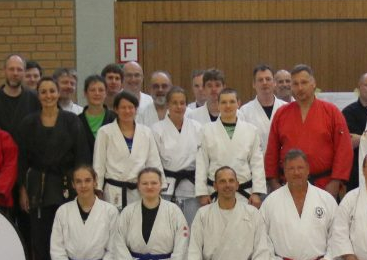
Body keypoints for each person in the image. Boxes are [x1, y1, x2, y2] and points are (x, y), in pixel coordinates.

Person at [16, 76, 91, 260]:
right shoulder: (28, 123)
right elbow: (22, 159)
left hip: (66, 184)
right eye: (43, 92)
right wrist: (22, 188)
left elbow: (81, 155)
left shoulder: (71, 121)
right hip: (38, 186)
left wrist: (82, 186)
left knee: (68, 234)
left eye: (52, 91)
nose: (48, 96)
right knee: (41, 235)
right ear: (38, 95)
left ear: (58, 94)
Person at [261, 149, 343, 260]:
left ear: (308, 170)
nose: (296, 172)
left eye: (300, 168)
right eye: (291, 169)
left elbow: (338, 234)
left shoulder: (325, 199)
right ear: (284, 172)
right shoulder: (271, 201)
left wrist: (330, 259)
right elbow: (261, 236)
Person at [186, 167, 269, 260]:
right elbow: (194, 249)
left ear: (237, 185)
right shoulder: (203, 214)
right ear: (215, 186)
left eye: (231, 181)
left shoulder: (252, 213)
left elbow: (261, 249)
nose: (227, 185)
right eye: (222, 181)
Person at [265, 64, 353, 197]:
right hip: (289, 185)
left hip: (324, 184)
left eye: (304, 82)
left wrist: (336, 181)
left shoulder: (331, 112)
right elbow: (272, 151)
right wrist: (273, 182)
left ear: (313, 84)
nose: (300, 88)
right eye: (295, 84)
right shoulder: (281, 114)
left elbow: (344, 149)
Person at [110, 167, 189, 260]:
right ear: (138, 186)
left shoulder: (173, 211)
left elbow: (182, 242)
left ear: (161, 185)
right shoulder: (128, 212)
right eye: (145, 183)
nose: (149, 187)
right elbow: (119, 242)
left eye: (154, 183)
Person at [49, 164, 119, 260]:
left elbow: (113, 249)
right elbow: (57, 249)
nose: (83, 185)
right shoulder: (63, 211)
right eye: (78, 181)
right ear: (73, 185)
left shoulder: (110, 211)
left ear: (95, 182)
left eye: (87, 180)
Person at [92, 89, 164, 209]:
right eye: (123, 107)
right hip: (114, 190)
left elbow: (153, 161)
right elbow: (99, 163)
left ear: (136, 110)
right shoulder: (105, 132)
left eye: (131, 107)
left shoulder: (146, 132)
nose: (127, 111)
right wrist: (97, 189)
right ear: (116, 109)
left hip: (139, 190)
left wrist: (159, 184)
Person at [195, 88, 266, 206]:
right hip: (215, 192)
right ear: (218, 105)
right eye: (223, 102)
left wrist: (257, 192)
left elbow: (257, 163)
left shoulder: (251, 130)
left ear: (238, 103)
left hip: (244, 193)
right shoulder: (206, 130)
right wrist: (202, 193)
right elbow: (201, 163)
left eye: (232, 102)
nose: (228, 106)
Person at [153, 86, 202, 225]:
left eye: (182, 103)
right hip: (167, 187)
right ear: (168, 105)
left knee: (191, 228)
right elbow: (154, 161)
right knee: (168, 228)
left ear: (186, 105)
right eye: (174, 103)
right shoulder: (157, 129)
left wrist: (202, 188)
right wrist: (159, 184)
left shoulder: (197, 127)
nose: (179, 107)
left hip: (191, 187)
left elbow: (202, 161)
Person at [341, 72, 367, 192]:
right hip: (356, 170)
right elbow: (348, 142)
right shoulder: (348, 113)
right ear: (359, 87)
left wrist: (361, 138)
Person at [0, 53, 40, 142]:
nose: (15, 73)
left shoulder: (35, 99)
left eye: (19, 69)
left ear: (24, 72)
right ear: (4, 71)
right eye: (11, 69)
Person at [237, 64, 279, 151]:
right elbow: (241, 142)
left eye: (268, 79)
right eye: (260, 80)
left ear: (274, 82)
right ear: (254, 84)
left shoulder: (285, 108)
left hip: (281, 158)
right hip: (255, 158)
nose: (264, 83)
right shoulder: (245, 111)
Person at [78, 73, 117, 157]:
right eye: (92, 90)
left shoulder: (115, 119)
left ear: (106, 93)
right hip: (84, 165)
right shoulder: (77, 121)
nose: (97, 93)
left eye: (101, 90)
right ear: (85, 93)